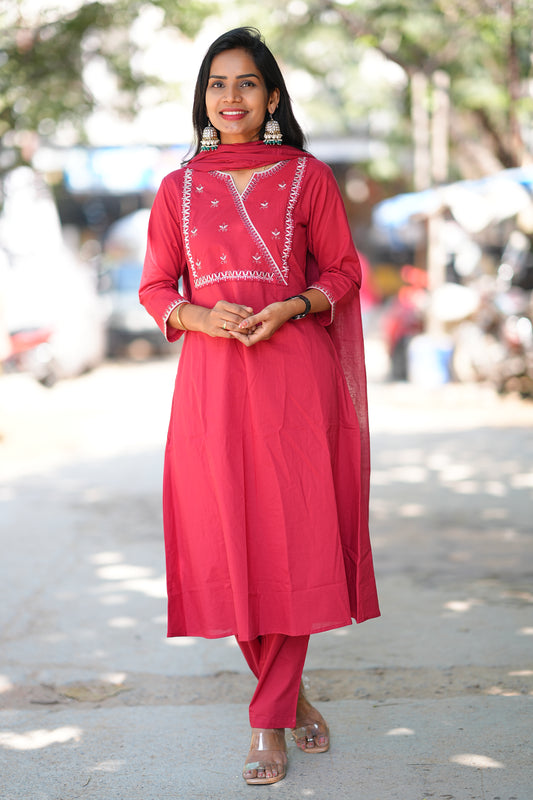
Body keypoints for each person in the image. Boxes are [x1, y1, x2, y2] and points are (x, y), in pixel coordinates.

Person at [139, 26, 380, 786]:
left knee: (290, 542)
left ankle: (266, 723)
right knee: (228, 544)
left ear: (272, 97)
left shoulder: (306, 176)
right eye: (217, 83)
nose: (230, 98)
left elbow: (344, 270)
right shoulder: (176, 189)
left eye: (246, 83)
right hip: (211, 384)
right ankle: (292, 694)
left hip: (291, 380)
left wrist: (293, 305)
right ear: (202, 98)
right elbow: (153, 286)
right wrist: (194, 316)